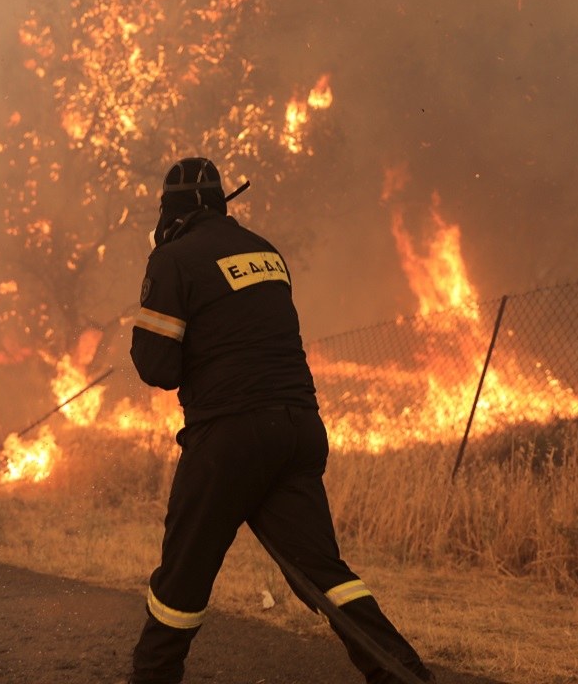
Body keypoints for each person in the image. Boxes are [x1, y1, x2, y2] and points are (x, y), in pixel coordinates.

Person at [128, 157, 434, 684]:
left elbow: (157, 368)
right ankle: (404, 676)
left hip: (229, 438)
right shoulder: (266, 251)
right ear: (222, 202)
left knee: (182, 578)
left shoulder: (173, 259)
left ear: (175, 210)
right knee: (324, 574)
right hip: (298, 430)